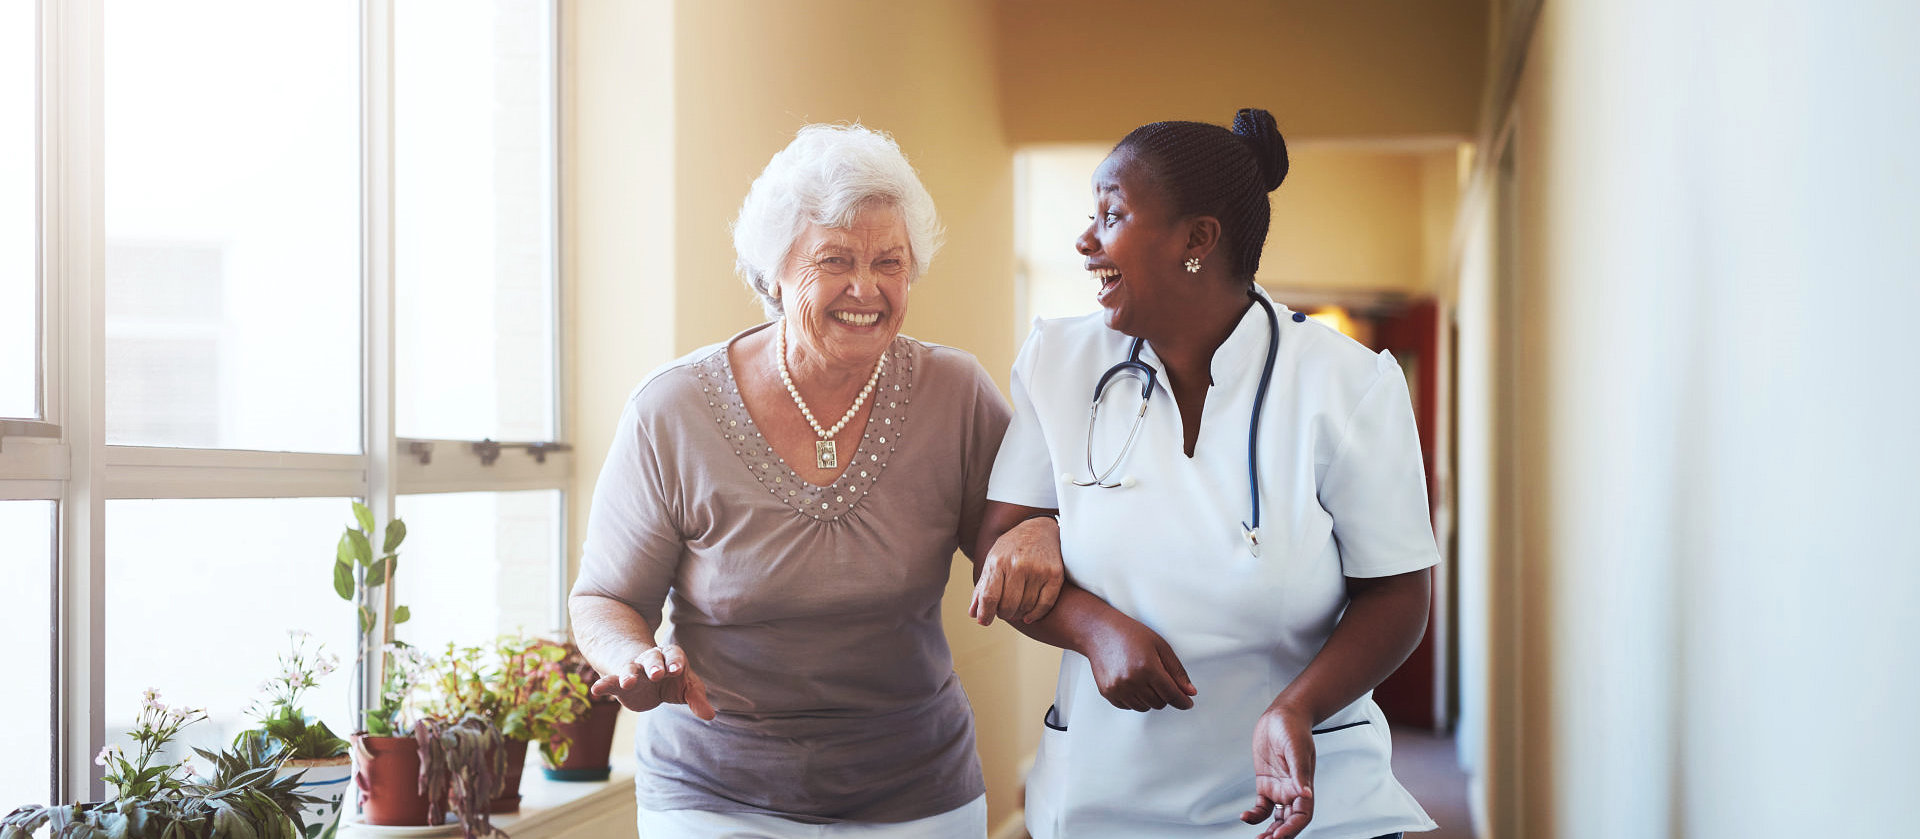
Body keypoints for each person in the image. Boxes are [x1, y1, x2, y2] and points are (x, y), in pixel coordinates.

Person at [569, 123, 1052, 837]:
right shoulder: (672, 409)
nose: (867, 287)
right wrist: (636, 657)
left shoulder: (954, 392)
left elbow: (1019, 527)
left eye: (891, 261)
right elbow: (606, 596)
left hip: (916, 786)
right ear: (773, 272)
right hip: (717, 789)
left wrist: (1041, 526)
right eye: (835, 259)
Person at [973, 109, 1439, 839]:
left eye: (1112, 214)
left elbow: (1399, 588)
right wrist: (1096, 629)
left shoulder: (1346, 385)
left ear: (1197, 239)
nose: (1084, 240)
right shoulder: (1056, 364)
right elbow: (996, 549)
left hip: (1309, 795)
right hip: (1110, 797)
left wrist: (1298, 706)